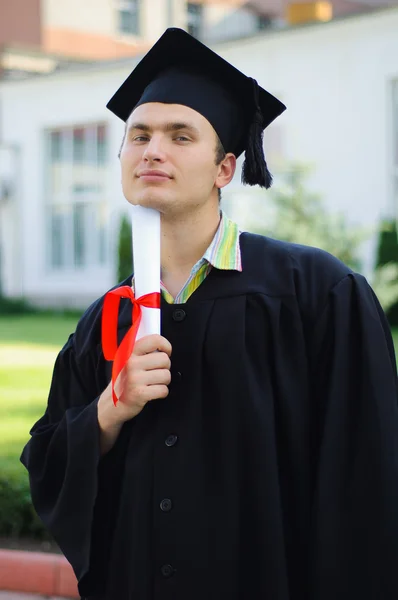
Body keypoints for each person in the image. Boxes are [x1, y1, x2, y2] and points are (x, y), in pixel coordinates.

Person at [21, 27, 398, 600]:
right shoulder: (107, 319)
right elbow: (48, 462)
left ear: (225, 169)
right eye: (138, 135)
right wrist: (106, 413)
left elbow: (365, 477)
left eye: (180, 136)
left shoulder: (316, 293)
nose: (152, 149)